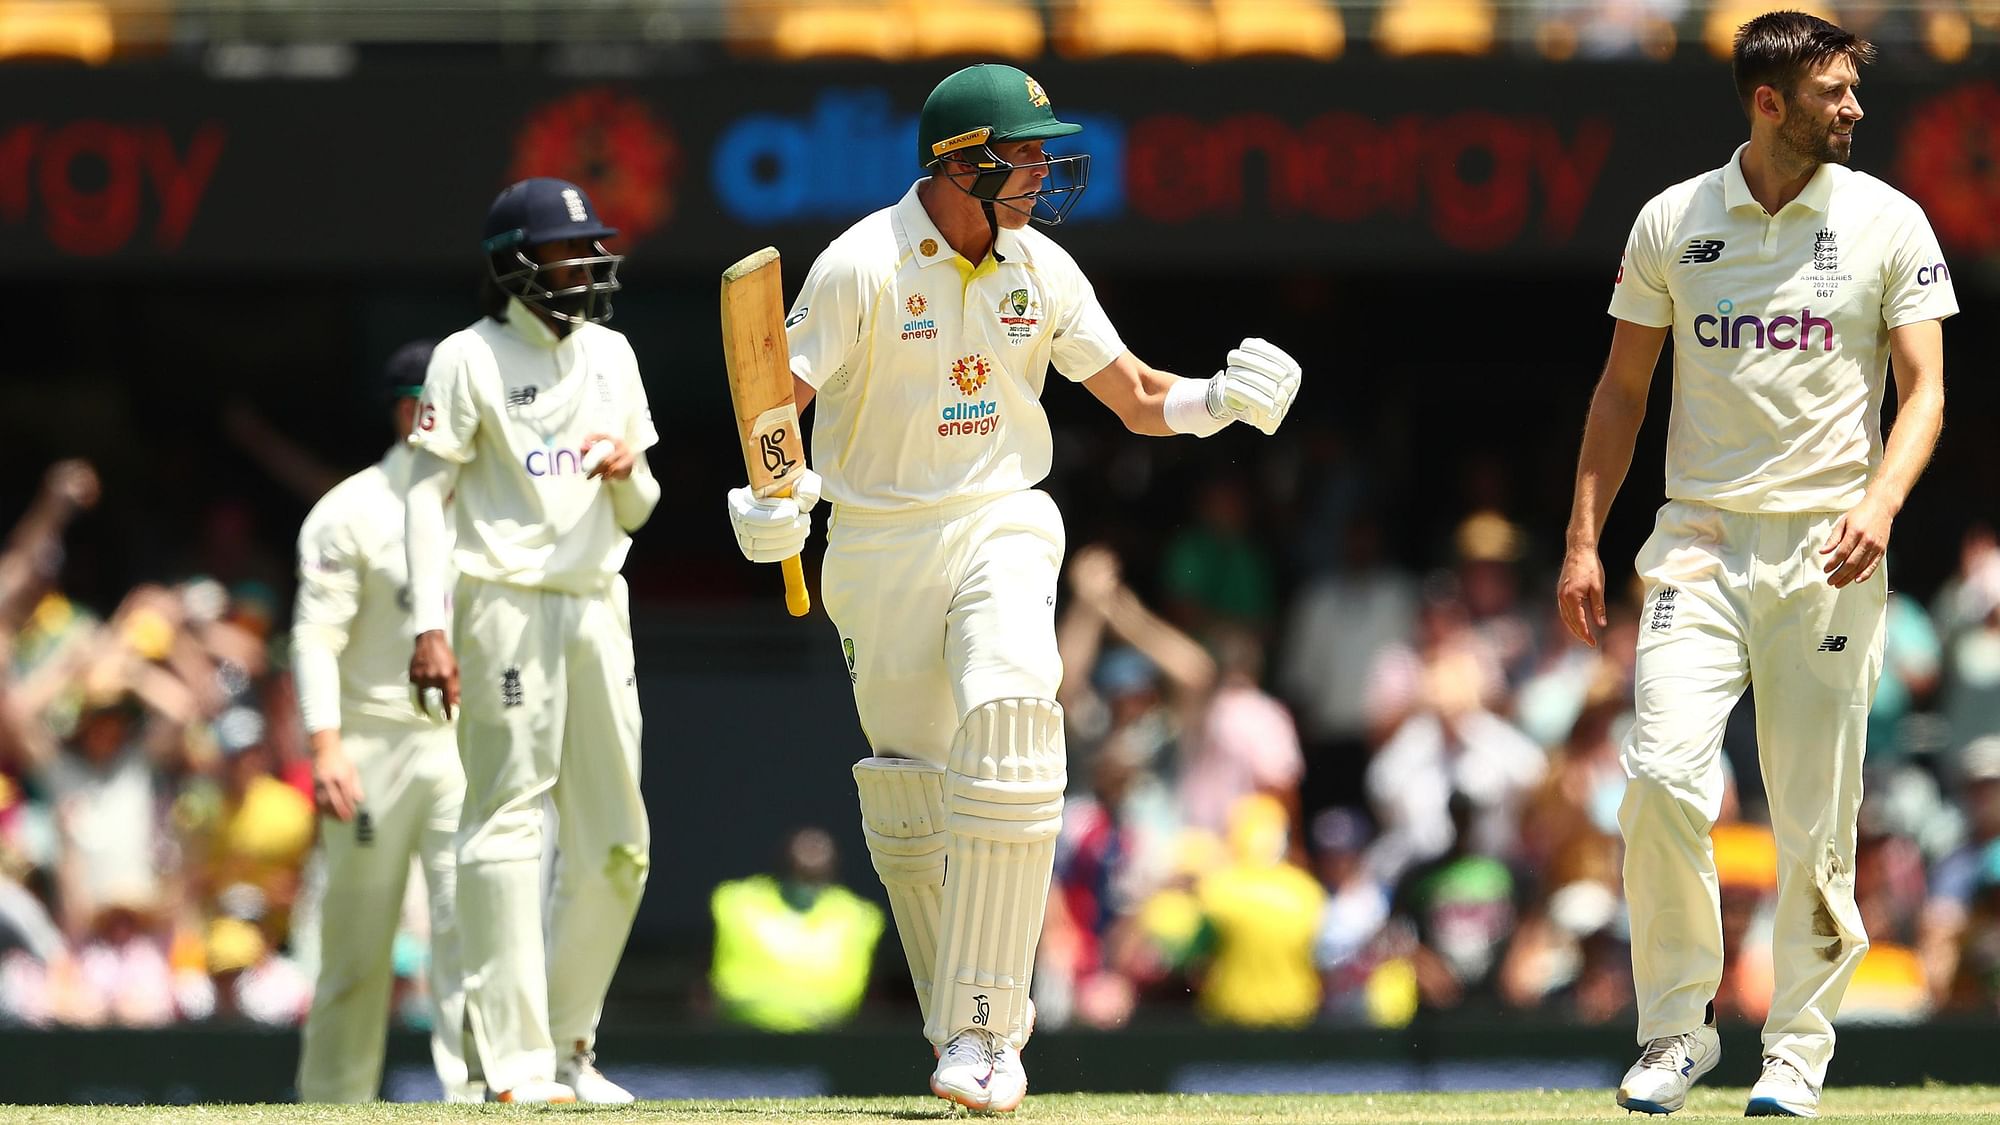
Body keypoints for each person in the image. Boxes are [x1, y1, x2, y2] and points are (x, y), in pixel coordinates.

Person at [724, 63, 1302, 1113]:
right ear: (957, 164)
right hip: (876, 544)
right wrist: (776, 499)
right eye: (1022, 153)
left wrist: (1213, 400)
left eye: (1042, 151)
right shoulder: (861, 264)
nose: (1041, 170)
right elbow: (778, 400)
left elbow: (1129, 395)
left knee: (1015, 720)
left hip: (1002, 516)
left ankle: (990, 1032)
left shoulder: (1041, 267)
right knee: (908, 800)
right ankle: (962, 1032)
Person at [1554, 12, 1955, 1117]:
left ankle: (1794, 1050)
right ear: (1766, 103)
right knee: (1661, 779)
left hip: (1830, 546)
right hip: (1697, 543)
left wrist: (1879, 503)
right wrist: (1584, 538)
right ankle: (1677, 1032)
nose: (1854, 109)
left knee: (1811, 819)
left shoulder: (1888, 219)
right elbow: (1620, 392)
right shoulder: (1673, 220)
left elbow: (1923, 391)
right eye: (1833, 92)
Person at [405, 177, 660, 1105]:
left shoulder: (614, 356)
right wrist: (429, 625)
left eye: (590, 247)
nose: (586, 264)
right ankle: (510, 1066)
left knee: (619, 844)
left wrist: (628, 471)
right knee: (507, 821)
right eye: (566, 250)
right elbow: (425, 500)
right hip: (502, 601)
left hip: (597, 600)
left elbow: (641, 508)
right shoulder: (466, 359)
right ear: (516, 262)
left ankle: (567, 1046)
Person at [293, 341, 472, 1103]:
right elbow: (314, 635)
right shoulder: (351, 510)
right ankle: (332, 1107)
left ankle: (480, 1101)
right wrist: (326, 743)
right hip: (370, 745)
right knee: (357, 951)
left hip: (465, 746)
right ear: (409, 411)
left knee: (473, 937)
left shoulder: (488, 498)